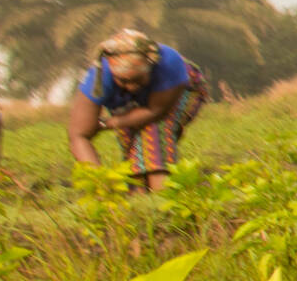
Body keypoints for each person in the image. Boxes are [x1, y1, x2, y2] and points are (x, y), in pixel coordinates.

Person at [69, 29, 206, 190]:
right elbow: (78, 136)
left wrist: (112, 122)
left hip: (180, 91)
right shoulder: (99, 79)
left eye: (137, 80)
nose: (131, 87)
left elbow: (155, 111)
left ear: (151, 67)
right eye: (123, 81)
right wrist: (102, 184)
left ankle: (162, 198)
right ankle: (138, 200)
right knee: (132, 146)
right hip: (131, 103)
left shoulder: (168, 64)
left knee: (155, 131)